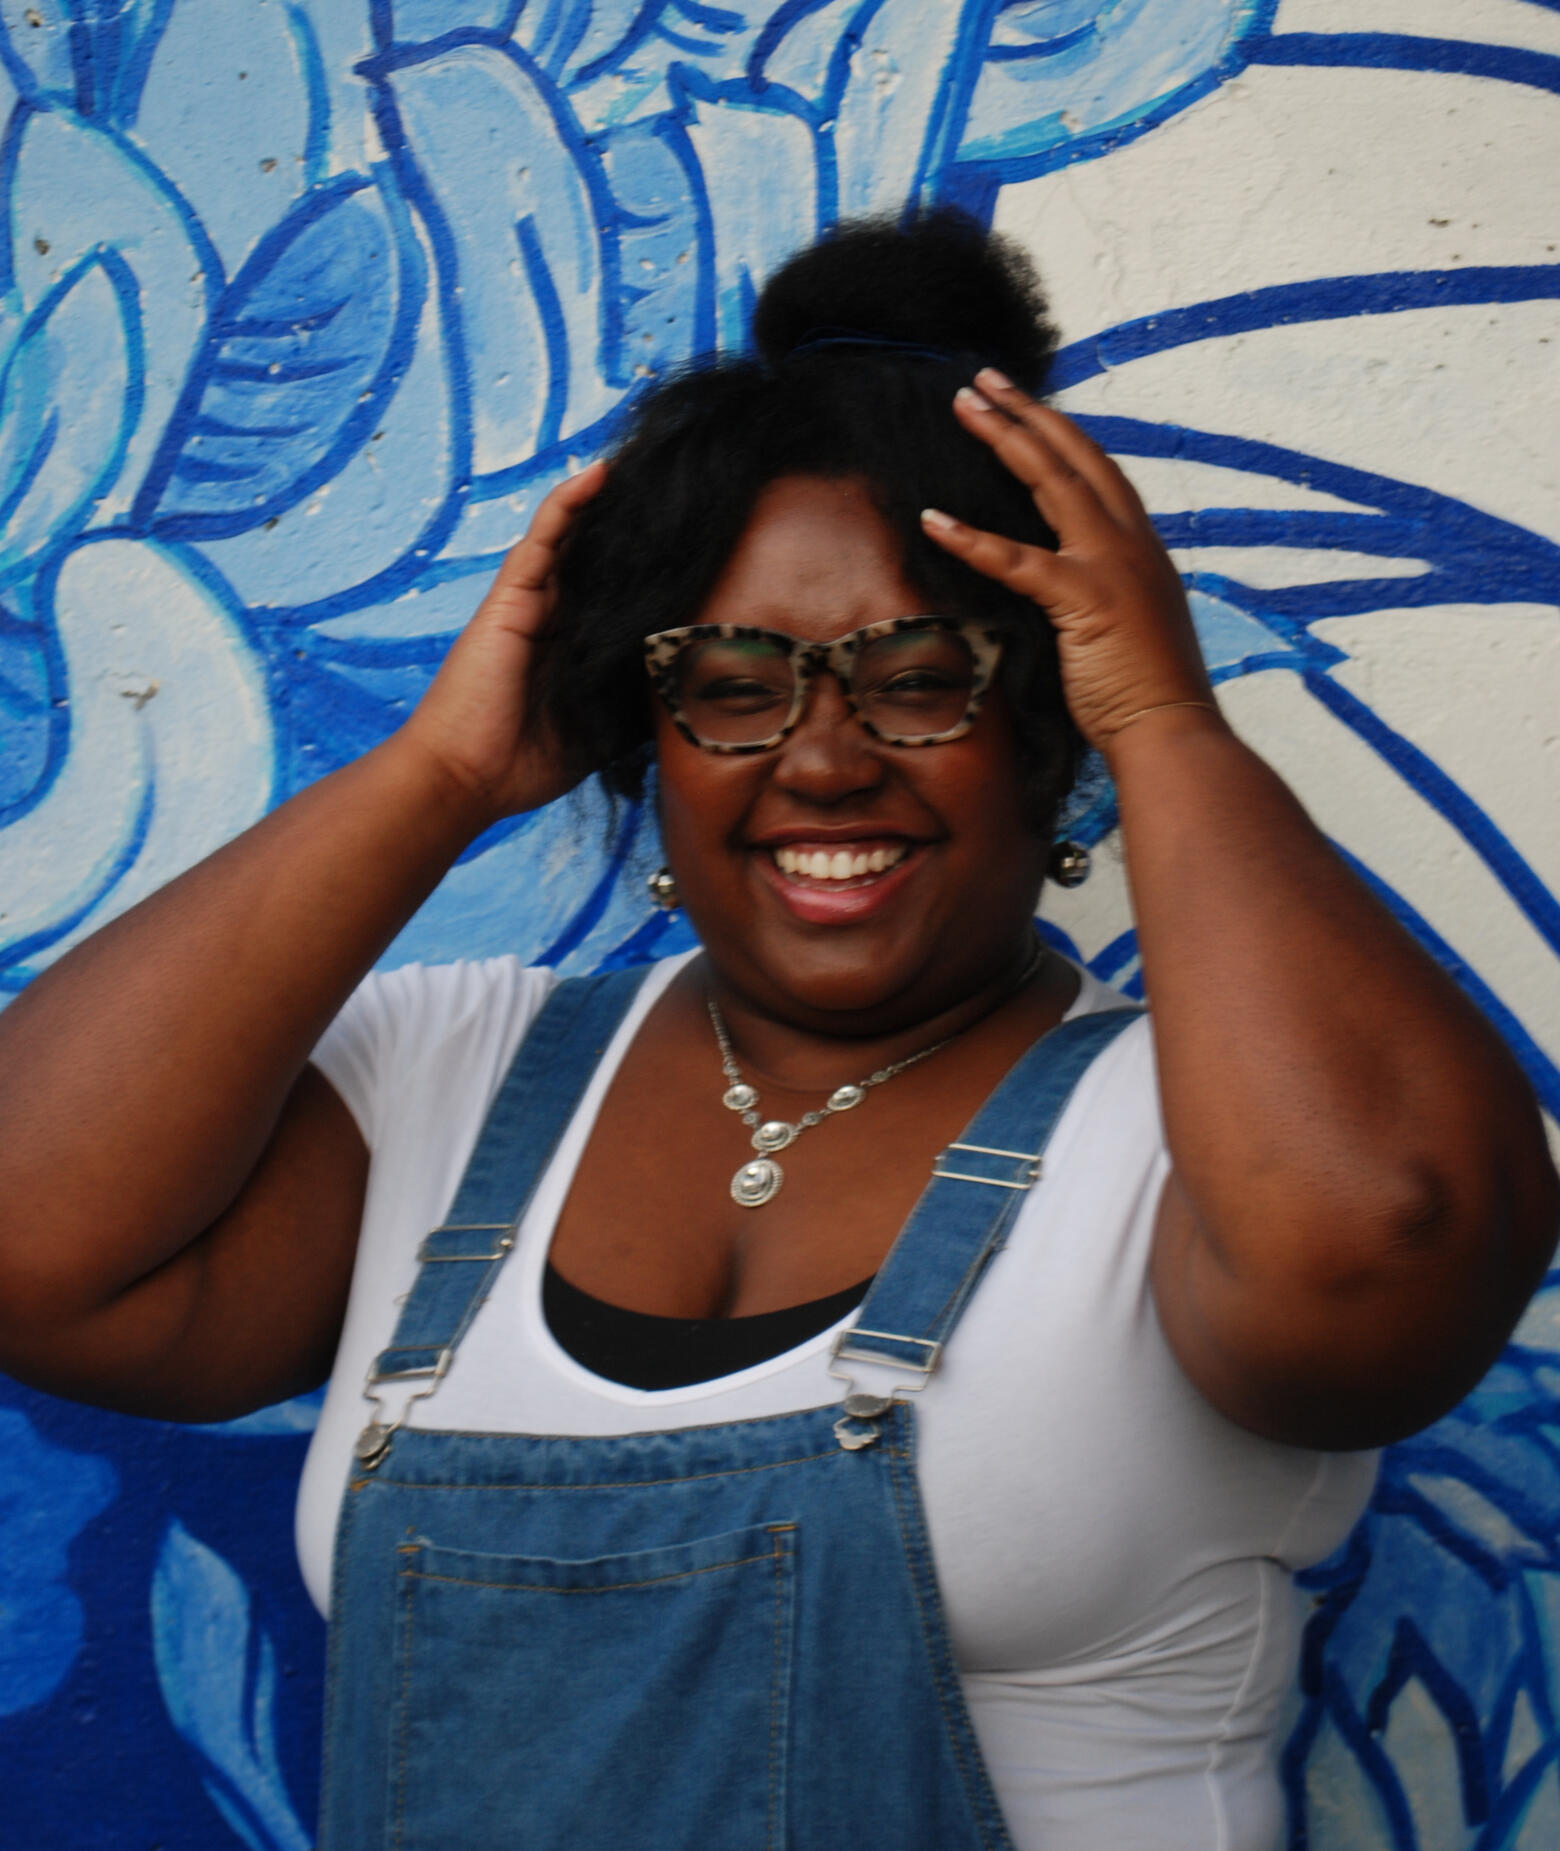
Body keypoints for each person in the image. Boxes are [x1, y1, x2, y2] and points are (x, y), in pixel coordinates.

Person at [0, 213, 1553, 1851]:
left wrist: (1167, 719)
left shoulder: (1190, 1144)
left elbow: (1390, 1243)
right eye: (733, 685)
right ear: (643, 731)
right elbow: (35, 1242)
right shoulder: (452, 1078)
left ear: (1051, 729)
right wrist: (439, 773)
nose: (821, 759)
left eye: (919, 676)